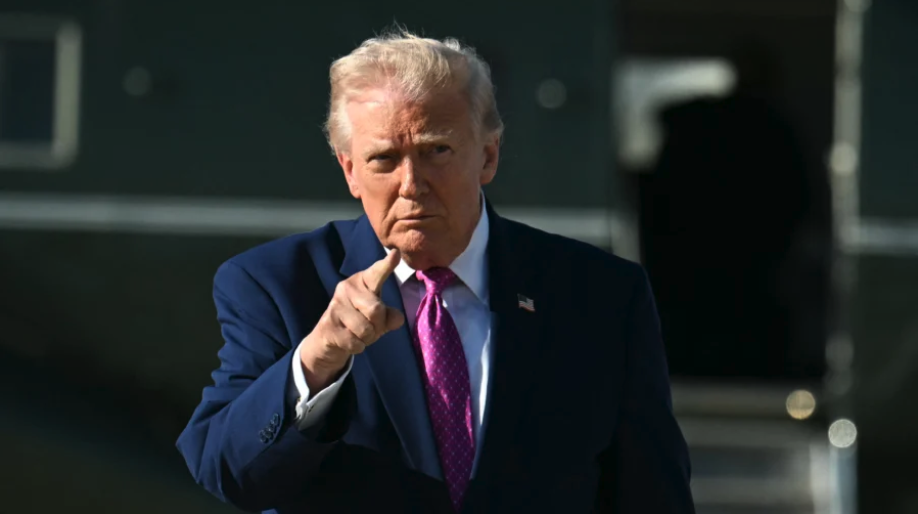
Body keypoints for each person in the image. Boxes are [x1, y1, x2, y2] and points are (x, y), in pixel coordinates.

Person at [177, 30, 694, 514]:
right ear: (349, 170)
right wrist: (316, 361)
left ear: (488, 155)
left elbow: (651, 493)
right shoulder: (276, 284)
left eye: (436, 151)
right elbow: (228, 472)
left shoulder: (598, 293)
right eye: (383, 159)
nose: (411, 183)